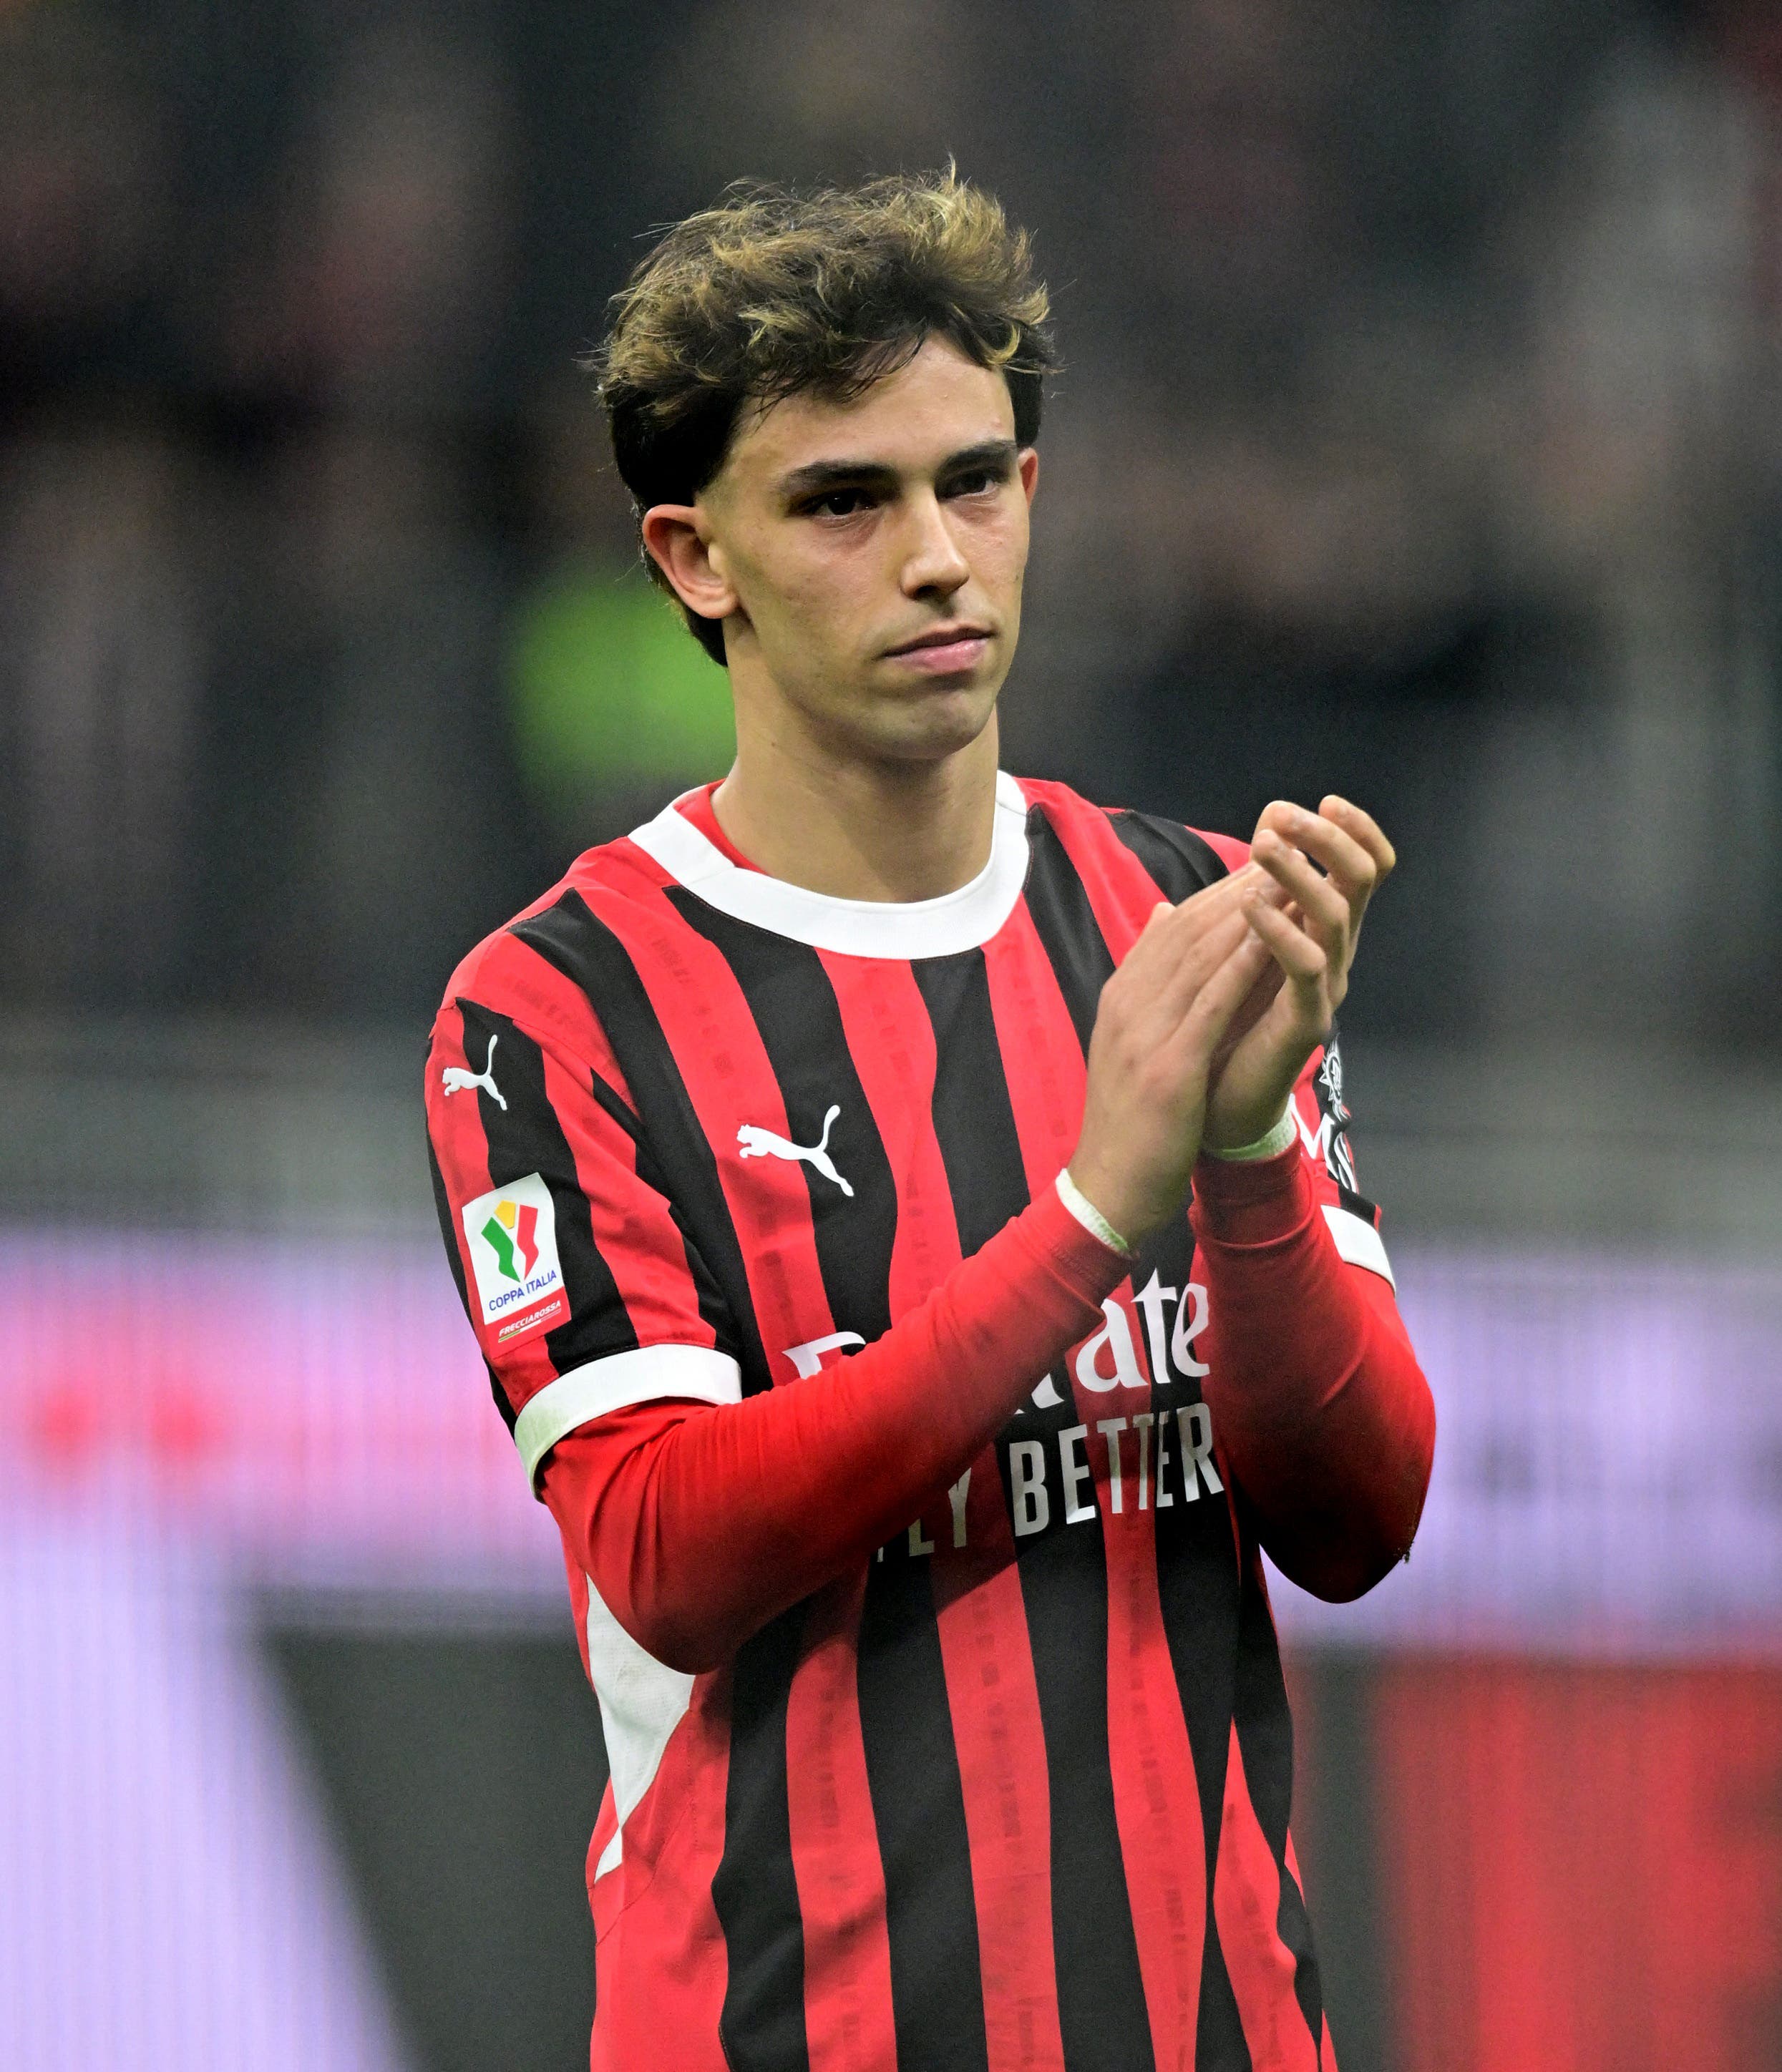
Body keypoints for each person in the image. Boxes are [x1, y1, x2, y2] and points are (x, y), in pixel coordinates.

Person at [424, 170, 1435, 2072]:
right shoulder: (553, 1010)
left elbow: (1360, 1519)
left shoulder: (1191, 922)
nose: (938, 555)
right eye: (842, 503)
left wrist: (1239, 1165)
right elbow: (664, 1550)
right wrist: (1086, 1216)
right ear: (692, 553)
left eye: (975, 481)